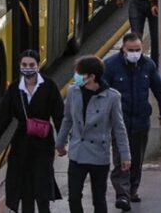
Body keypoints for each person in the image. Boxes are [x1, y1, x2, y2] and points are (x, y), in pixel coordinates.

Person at [0, 49, 64, 213]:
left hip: (44, 144)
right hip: (21, 144)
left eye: (31, 65)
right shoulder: (15, 88)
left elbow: (59, 115)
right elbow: (2, 117)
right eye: (24, 65)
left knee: (43, 190)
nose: (28, 68)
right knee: (25, 191)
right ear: (19, 66)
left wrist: (61, 141)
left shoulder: (49, 86)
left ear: (38, 65)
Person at [105, 32, 161, 210]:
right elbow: (102, 94)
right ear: (123, 49)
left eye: (138, 50)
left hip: (141, 121)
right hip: (119, 123)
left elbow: (160, 90)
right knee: (122, 160)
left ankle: (132, 189)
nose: (135, 53)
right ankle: (123, 194)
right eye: (131, 50)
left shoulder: (148, 65)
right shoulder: (110, 66)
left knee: (136, 159)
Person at [55, 55, 130, 213]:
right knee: (74, 197)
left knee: (99, 199)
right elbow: (67, 119)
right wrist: (59, 143)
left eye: (79, 73)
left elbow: (119, 128)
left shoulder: (112, 97)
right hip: (77, 153)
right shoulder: (73, 92)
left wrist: (125, 155)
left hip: (99, 155)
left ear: (91, 77)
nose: (76, 76)